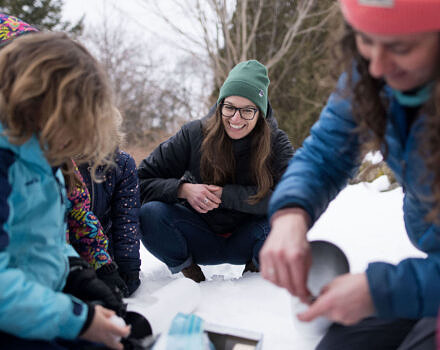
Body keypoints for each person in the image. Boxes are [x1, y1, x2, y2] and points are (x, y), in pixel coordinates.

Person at [259, 0, 440, 349]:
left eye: (401, 47)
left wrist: (380, 291)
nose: (377, 66)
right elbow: (327, 150)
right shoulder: (375, 71)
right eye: (366, 39)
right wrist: (290, 212)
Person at [0, 29, 130, 349]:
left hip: (30, 310)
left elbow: (45, 238)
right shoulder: (6, 160)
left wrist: (78, 275)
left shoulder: (44, 157)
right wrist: (77, 319)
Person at [138, 60, 294, 282]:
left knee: (286, 220)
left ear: (259, 112)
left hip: (251, 239)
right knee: (150, 214)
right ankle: (190, 273)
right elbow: (140, 181)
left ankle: (256, 277)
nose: (236, 118)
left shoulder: (277, 143)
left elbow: (292, 199)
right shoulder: (194, 134)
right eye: (229, 107)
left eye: (247, 110)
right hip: (198, 236)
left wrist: (226, 195)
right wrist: (183, 189)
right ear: (220, 104)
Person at [76, 150, 142, 297]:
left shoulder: (121, 163)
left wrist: (128, 264)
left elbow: (126, 218)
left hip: (102, 251)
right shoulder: (59, 163)